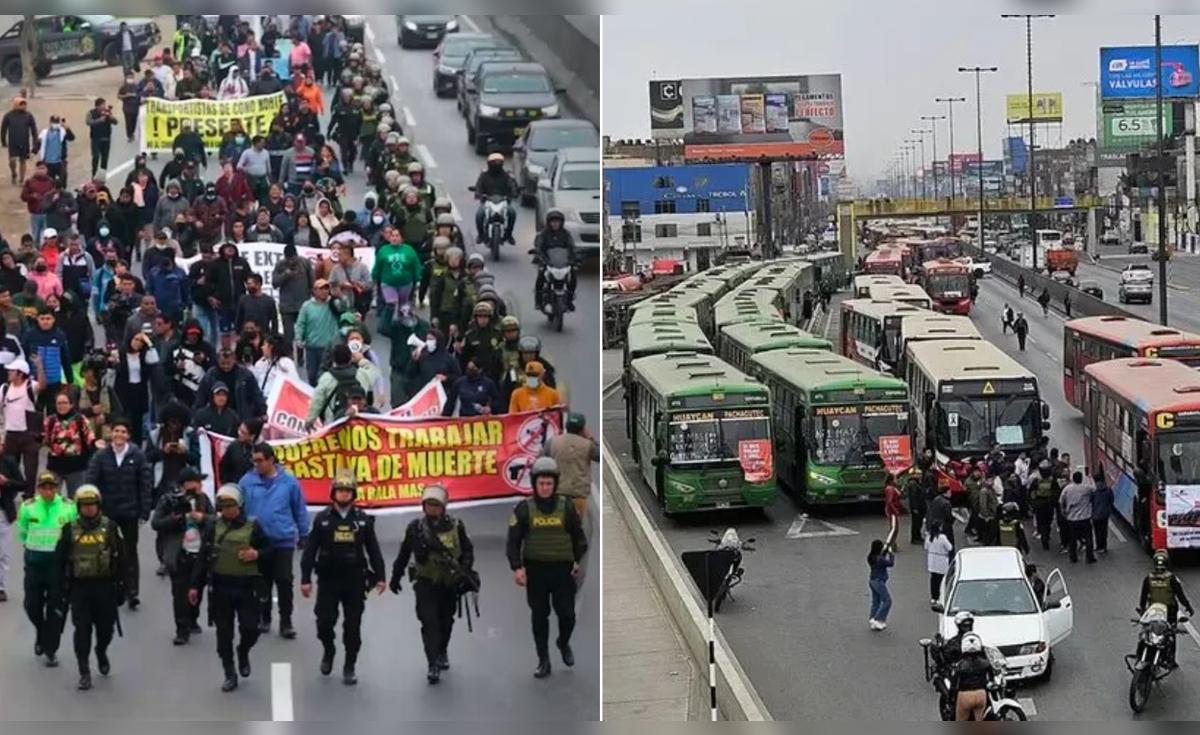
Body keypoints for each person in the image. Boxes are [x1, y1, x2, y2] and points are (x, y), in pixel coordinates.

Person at [300, 471, 386, 686]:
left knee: (353, 626)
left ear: (353, 493)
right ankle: (329, 651)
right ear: (333, 493)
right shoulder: (322, 519)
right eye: (340, 490)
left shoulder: (362, 520)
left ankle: (350, 665)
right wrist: (305, 578)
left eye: (348, 491)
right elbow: (310, 550)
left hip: (355, 580)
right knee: (324, 623)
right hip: (329, 580)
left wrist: (381, 576)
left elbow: (373, 549)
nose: (344, 494)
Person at [389, 484, 476, 685]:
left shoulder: (456, 526)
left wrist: (465, 571)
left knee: (446, 621)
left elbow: (468, 551)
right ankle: (432, 663)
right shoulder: (415, 529)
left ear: (444, 506)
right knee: (429, 622)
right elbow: (403, 554)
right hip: (425, 583)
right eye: (429, 504)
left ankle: (442, 650)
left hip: (449, 583)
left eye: (436, 505)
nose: (432, 508)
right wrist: (395, 577)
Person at [507, 457, 586, 678]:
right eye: (541, 484)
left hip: (562, 571)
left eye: (549, 484)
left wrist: (576, 561)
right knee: (539, 616)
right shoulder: (524, 509)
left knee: (567, 615)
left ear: (555, 484)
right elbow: (513, 541)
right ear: (534, 484)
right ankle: (543, 659)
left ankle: (563, 642)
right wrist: (517, 568)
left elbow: (579, 538)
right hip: (536, 572)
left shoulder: (566, 507)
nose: (545, 488)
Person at [189, 484, 269, 692]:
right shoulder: (213, 527)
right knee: (224, 634)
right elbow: (202, 558)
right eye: (223, 506)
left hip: (246, 588)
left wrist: (257, 554)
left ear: (239, 505)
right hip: (221, 587)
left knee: (251, 629)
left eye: (231, 505)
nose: (227, 510)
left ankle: (243, 651)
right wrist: (194, 586)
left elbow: (270, 550)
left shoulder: (253, 526)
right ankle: (229, 672)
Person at [56, 484, 126, 691]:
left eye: (92, 505)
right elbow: (59, 560)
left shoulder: (110, 527)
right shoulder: (69, 529)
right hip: (79, 588)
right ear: (79, 507)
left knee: (106, 630)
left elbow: (122, 557)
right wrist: (60, 588)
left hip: (105, 587)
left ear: (99, 505)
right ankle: (84, 670)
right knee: (82, 630)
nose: (89, 509)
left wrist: (123, 587)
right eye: (85, 505)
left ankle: (101, 650)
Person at [240, 443, 308, 639]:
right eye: (254, 461)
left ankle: (286, 621)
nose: (257, 465)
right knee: (261, 582)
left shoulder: (288, 481)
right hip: (258, 541)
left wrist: (304, 533)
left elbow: (299, 508)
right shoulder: (246, 481)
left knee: (285, 581)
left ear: (271, 460)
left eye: (260, 461)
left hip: (282, 539)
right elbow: (239, 508)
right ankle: (264, 617)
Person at [84, 418, 152, 608]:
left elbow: (145, 484)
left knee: (130, 552)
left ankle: (132, 592)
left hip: (130, 512)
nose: (119, 435)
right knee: (105, 550)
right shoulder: (101, 456)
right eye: (116, 431)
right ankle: (108, 590)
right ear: (111, 433)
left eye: (123, 431)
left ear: (128, 435)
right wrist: (91, 509)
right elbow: (91, 481)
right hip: (107, 512)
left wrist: (144, 510)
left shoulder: (137, 455)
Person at [16, 471, 77, 668]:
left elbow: (75, 532)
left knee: (55, 608)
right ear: (39, 489)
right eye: (44, 487)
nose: (48, 491)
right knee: (31, 605)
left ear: (57, 488)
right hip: (34, 562)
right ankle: (41, 634)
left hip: (57, 565)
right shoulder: (28, 507)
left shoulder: (68, 507)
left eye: (52, 487)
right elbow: (23, 532)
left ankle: (51, 649)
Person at [151, 467, 213, 645]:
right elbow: (156, 523)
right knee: (179, 593)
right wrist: (176, 518)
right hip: (179, 552)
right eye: (195, 482)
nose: (198, 486)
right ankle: (181, 629)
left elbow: (215, 520)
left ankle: (193, 618)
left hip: (200, 553)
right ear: (185, 485)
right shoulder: (169, 500)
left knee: (197, 589)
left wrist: (203, 518)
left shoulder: (203, 499)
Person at [1138, 550, 1195, 669]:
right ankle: (1171, 660)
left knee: (1147, 634)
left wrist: (1142, 610)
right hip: (1169, 612)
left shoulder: (1149, 578)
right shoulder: (1171, 578)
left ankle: (1141, 655)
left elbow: (1143, 597)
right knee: (1170, 636)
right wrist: (1188, 606)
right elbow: (1180, 595)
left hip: (1154, 612)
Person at [2, 357, 46, 486]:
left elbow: (42, 385)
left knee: (30, 472)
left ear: (20, 373)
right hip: (10, 436)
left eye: (12, 371)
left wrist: (39, 366)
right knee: (9, 471)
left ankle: (29, 496)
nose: (8, 373)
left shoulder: (29, 385)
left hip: (29, 435)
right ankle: (9, 498)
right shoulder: (5, 389)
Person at [44, 391, 97, 496]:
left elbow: (89, 436)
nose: (61, 406)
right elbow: (46, 440)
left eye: (64, 403)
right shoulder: (50, 420)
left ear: (71, 404)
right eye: (59, 403)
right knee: (52, 498)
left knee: (76, 499)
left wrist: (95, 443)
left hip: (76, 467)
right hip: (55, 466)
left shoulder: (80, 419)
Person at [295, 279, 339, 386]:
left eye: (326, 288)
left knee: (328, 377)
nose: (324, 291)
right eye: (321, 289)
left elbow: (344, 310)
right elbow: (301, 323)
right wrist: (299, 338)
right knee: (312, 376)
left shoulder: (333, 304)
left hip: (329, 348)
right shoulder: (307, 306)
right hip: (312, 347)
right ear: (314, 291)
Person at [473, 153, 517, 244]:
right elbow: (478, 186)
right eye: (494, 162)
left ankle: (509, 234)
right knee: (479, 215)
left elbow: (511, 186)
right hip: (487, 201)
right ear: (489, 163)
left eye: (499, 162)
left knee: (512, 213)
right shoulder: (484, 175)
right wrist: (479, 194)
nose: (496, 164)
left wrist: (513, 193)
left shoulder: (506, 176)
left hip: (503, 201)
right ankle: (481, 234)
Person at [1060, 470, 1096, 564]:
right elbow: (1094, 491)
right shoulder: (1086, 488)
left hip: (1072, 519)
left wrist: (1063, 511)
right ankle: (1090, 557)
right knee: (1088, 538)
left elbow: (1061, 501)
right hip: (1085, 518)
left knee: (1073, 539)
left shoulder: (1067, 489)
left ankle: (1073, 557)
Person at [954, 633, 992, 721]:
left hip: (965, 695)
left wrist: (951, 697)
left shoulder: (960, 665)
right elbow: (991, 678)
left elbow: (954, 683)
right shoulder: (985, 663)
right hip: (981, 694)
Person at [3, 96, 38, 185]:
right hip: (13, 142)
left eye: (24, 104)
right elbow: (3, 130)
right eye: (21, 104)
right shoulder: (8, 116)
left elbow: (34, 130)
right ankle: (14, 173)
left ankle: (22, 179)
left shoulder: (29, 116)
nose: (23, 106)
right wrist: (3, 141)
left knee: (23, 161)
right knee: (12, 161)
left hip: (24, 142)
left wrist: (35, 142)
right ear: (16, 105)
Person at [866, 538, 894, 631]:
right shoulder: (880, 559)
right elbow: (891, 563)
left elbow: (882, 558)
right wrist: (891, 553)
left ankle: (872, 618)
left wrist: (886, 551)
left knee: (876, 601)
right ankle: (877, 618)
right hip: (879, 581)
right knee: (887, 601)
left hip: (872, 580)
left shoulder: (871, 557)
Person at [1029, 462, 1058, 551]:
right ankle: (1046, 535)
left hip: (1039, 504)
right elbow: (1056, 493)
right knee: (1048, 521)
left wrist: (1032, 504)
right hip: (1048, 504)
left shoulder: (1036, 481)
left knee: (1041, 522)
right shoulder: (1052, 480)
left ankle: (1043, 538)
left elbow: (1030, 493)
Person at [86, 99, 118, 178]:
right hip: (96, 139)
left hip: (106, 138)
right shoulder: (91, 113)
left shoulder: (107, 112)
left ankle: (102, 177)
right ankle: (94, 175)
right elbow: (88, 122)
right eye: (102, 104)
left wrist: (109, 116)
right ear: (97, 106)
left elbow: (116, 122)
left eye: (104, 104)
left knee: (104, 159)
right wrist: (99, 120)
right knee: (96, 157)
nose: (104, 106)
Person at [925, 522, 952, 607]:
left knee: (933, 580)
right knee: (941, 579)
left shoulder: (929, 537)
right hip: (941, 559)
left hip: (932, 559)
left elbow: (926, 547)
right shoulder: (942, 537)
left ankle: (934, 597)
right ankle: (941, 596)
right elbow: (950, 547)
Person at [1092, 469, 1114, 555]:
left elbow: (1090, 501)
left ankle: (1098, 546)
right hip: (1105, 513)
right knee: (1104, 530)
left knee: (1097, 531)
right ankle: (1104, 546)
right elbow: (1111, 499)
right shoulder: (1108, 489)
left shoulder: (1093, 491)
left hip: (1095, 514)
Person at [926, 483, 954, 549]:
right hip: (945, 525)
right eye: (949, 492)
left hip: (935, 523)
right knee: (948, 542)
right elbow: (948, 516)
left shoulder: (936, 499)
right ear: (945, 492)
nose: (951, 493)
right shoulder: (946, 503)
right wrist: (953, 520)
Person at [883, 472, 903, 543]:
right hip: (892, 511)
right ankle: (889, 543)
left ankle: (893, 542)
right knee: (894, 528)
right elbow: (890, 501)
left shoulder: (893, 488)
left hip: (894, 510)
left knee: (895, 528)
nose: (897, 480)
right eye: (895, 479)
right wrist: (895, 510)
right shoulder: (890, 489)